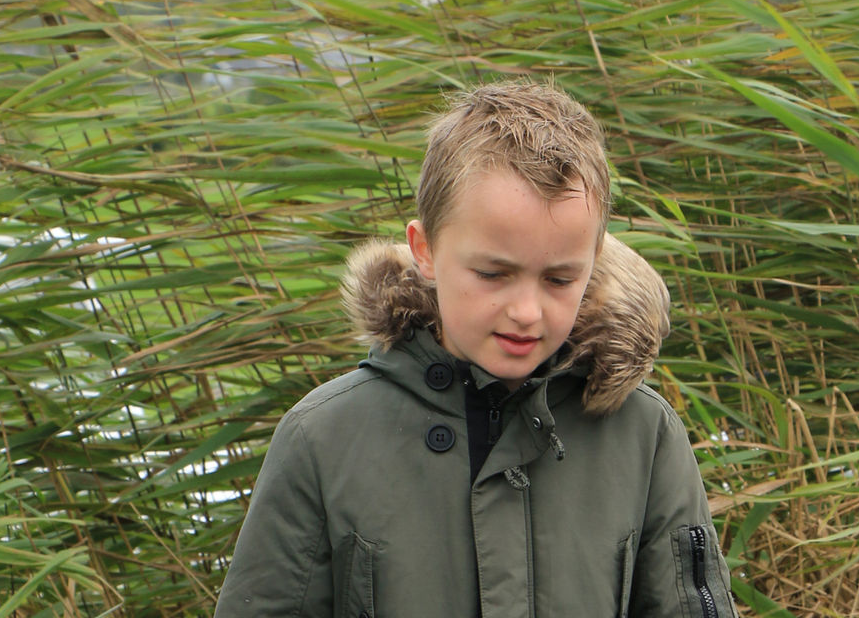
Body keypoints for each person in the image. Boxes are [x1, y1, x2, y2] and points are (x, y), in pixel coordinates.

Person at [212, 80, 738, 618]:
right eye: (492, 273)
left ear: (593, 260)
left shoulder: (645, 435)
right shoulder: (321, 440)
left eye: (559, 280)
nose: (527, 312)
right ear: (425, 250)